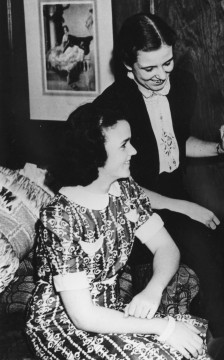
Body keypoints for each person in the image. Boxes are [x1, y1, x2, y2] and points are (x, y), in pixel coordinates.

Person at [93, 13, 224, 339]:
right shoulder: (112, 107)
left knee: (219, 258)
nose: (161, 76)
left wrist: (221, 148)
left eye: (167, 63)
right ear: (127, 65)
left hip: (174, 199)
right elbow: (118, 186)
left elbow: (174, 141)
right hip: (130, 209)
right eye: (149, 68)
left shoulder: (184, 84)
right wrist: (183, 207)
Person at [25, 103, 210, 360]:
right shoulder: (60, 217)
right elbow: (83, 316)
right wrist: (163, 327)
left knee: (194, 339)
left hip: (111, 312)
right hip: (63, 322)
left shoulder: (125, 191)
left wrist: (152, 290)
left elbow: (166, 248)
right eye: (124, 145)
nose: (133, 151)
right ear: (94, 154)